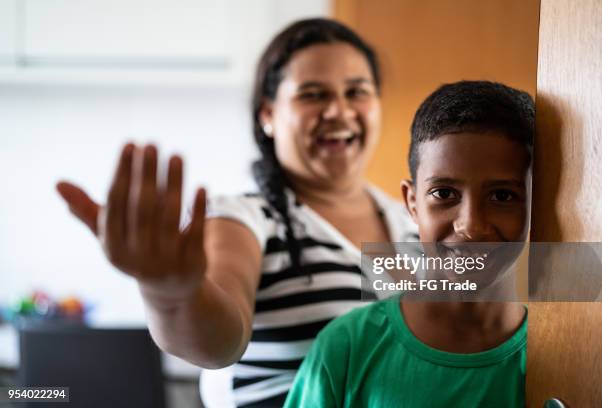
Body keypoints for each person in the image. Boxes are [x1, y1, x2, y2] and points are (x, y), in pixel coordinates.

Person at [55, 18, 418, 407]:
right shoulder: (244, 219)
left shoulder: (417, 223)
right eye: (312, 94)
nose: (338, 110)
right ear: (268, 114)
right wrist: (172, 293)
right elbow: (216, 345)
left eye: (356, 92)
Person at [283, 80, 534, 408]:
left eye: (503, 195)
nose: (471, 226)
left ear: (534, 203)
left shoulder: (565, 360)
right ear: (412, 203)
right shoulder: (347, 348)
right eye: (444, 194)